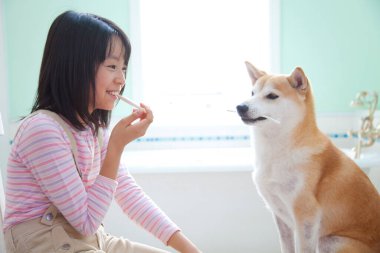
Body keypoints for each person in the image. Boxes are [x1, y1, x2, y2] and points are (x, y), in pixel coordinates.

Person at [3, 10, 201, 253]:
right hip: (46, 242)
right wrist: (116, 147)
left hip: (91, 240)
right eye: (112, 66)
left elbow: (130, 196)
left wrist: (190, 250)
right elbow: (85, 222)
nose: (121, 79)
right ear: (76, 66)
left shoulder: (95, 131)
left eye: (124, 68)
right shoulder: (42, 131)